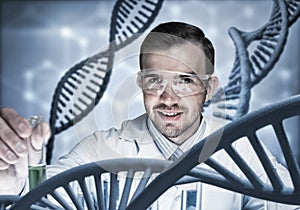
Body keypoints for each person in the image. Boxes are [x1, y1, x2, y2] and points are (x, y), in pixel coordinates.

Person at [0, 22, 296, 209]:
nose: (169, 98)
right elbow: (39, 199)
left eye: (185, 81)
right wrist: (12, 183)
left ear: (209, 87)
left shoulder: (240, 148)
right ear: (141, 84)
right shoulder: (102, 147)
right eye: (155, 80)